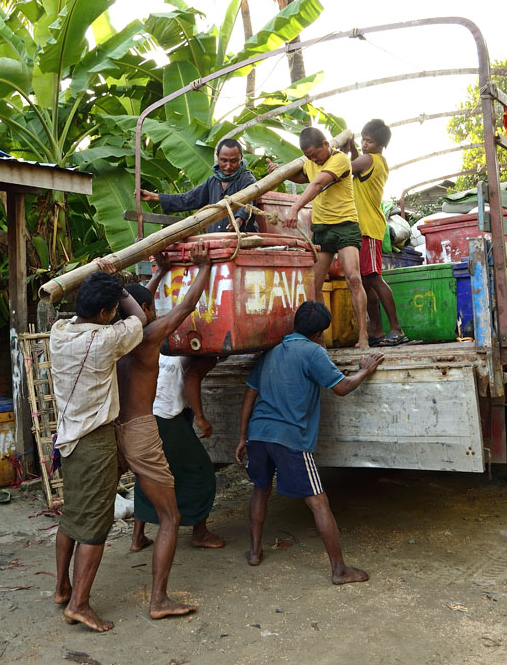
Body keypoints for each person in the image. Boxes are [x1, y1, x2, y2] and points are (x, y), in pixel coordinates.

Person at [235, 301, 385, 584]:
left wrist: (243, 437)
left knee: (260, 490)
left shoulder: (272, 351)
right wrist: (364, 370)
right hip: (289, 438)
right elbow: (341, 388)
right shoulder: (313, 352)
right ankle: (339, 570)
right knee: (319, 502)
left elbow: (249, 395)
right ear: (319, 334)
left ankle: (254, 551)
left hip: (258, 434)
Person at [116, 242, 213, 619]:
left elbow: (140, 307)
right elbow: (187, 307)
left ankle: (70, 591)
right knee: (171, 516)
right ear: (147, 311)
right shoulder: (149, 337)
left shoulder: (118, 335)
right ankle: (158, 600)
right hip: (145, 429)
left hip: (119, 431)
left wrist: (153, 275)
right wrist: (204, 268)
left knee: (147, 484)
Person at [50, 271, 146, 632]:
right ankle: (79, 604)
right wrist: (120, 288)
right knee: (94, 525)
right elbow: (140, 318)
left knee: (73, 515)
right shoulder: (105, 340)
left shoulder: (59, 333)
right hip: (93, 441)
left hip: (68, 440)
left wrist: (105, 287)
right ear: (106, 313)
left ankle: (62, 588)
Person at [269, 127, 369, 349]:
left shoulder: (340, 159)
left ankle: (363, 336)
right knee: (314, 284)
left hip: (345, 225)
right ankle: (320, 339)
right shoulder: (310, 161)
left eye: (315, 155)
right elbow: (303, 176)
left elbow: (317, 184)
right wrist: (277, 172)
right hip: (322, 228)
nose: (313, 159)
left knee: (353, 277)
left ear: (326, 145)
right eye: (308, 157)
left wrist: (294, 208)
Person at [129, 323, 226, 550]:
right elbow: (192, 378)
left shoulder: (162, 343)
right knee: (201, 472)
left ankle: (137, 536)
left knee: (149, 471)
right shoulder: (201, 349)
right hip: (166, 418)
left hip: (143, 415)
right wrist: (201, 418)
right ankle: (200, 532)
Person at [349, 119, 407, 347]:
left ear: (381, 145)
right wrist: (352, 147)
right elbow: (357, 160)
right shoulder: (376, 161)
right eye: (362, 139)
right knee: (365, 281)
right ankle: (376, 330)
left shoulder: (371, 160)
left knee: (374, 278)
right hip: (363, 226)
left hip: (369, 227)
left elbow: (346, 167)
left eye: (369, 141)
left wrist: (341, 149)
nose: (364, 144)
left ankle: (396, 329)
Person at [140, 138, 258, 232]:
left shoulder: (246, 179)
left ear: (241, 158)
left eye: (233, 161)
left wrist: (238, 221)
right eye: (224, 160)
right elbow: (188, 199)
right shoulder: (212, 181)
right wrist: (154, 197)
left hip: (241, 240)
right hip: (215, 242)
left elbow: (248, 203)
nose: (228, 166)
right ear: (217, 157)